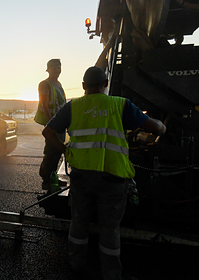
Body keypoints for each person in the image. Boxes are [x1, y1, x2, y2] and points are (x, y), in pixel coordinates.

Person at [42, 66, 166, 280]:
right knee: (109, 228)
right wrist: (162, 127)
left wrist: (65, 150)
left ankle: (76, 264)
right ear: (105, 84)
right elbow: (153, 128)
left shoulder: (74, 106)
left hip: (81, 178)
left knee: (79, 222)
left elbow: (48, 131)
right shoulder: (120, 104)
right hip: (113, 179)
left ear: (83, 86)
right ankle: (111, 273)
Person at [34, 58, 67, 191]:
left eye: (59, 67)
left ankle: (53, 177)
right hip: (53, 124)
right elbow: (45, 105)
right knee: (51, 152)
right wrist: (50, 125)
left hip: (60, 124)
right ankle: (47, 179)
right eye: (54, 68)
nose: (57, 70)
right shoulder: (45, 84)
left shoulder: (58, 84)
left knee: (57, 152)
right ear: (48, 70)